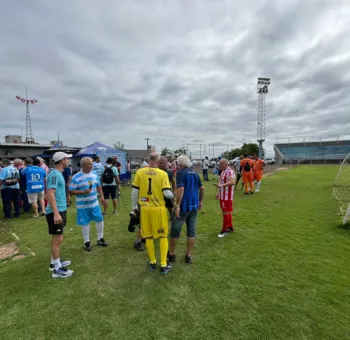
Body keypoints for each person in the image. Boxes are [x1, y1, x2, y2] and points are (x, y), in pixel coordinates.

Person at [131, 152, 174, 275]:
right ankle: (164, 265)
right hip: (158, 208)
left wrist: (134, 207)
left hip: (144, 208)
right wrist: (174, 195)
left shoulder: (140, 172)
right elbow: (167, 193)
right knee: (162, 236)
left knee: (148, 236)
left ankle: (152, 262)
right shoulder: (163, 173)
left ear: (148, 160)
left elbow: (134, 191)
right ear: (158, 161)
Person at [168, 155, 204, 264]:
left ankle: (172, 254)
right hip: (193, 207)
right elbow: (202, 188)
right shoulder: (195, 174)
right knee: (191, 232)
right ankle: (188, 255)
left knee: (175, 231)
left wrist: (177, 205)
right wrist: (200, 201)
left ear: (179, 164)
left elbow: (181, 189)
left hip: (183, 207)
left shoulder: (180, 173)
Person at [69, 157, 108, 251]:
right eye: (90, 164)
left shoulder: (94, 174)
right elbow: (70, 191)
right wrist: (83, 192)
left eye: (92, 164)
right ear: (83, 165)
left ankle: (100, 239)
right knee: (85, 223)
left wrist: (102, 196)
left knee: (99, 220)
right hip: (83, 206)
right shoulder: (76, 177)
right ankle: (87, 242)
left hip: (94, 204)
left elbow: (98, 186)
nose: (92, 166)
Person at [46, 152, 74, 278]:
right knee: (57, 239)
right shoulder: (54, 174)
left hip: (61, 209)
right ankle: (57, 269)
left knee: (59, 237)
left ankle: (54, 262)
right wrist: (56, 213)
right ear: (63, 160)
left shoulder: (58, 174)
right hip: (55, 211)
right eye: (67, 159)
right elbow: (50, 194)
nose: (68, 161)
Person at [216, 158, 235, 238]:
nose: (219, 165)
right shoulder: (223, 171)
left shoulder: (230, 171)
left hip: (227, 197)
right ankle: (230, 227)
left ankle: (224, 230)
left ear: (226, 164)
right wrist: (218, 193)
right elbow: (221, 182)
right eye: (219, 164)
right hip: (222, 196)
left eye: (221, 164)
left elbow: (232, 182)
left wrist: (221, 186)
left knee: (225, 213)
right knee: (226, 212)